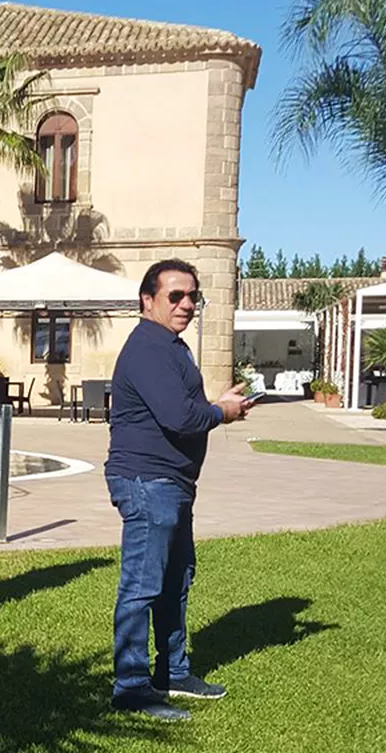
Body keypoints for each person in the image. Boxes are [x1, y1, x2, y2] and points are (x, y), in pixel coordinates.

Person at [104, 259, 252, 721]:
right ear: (148, 300)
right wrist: (221, 412)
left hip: (172, 482)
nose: (186, 304)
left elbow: (182, 408)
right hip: (148, 482)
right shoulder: (149, 348)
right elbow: (180, 417)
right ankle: (131, 687)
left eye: (193, 296)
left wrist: (218, 405)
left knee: (175, 579)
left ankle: (173, 671)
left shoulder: (171, 346)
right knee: (143, 585)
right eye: (175, 296)